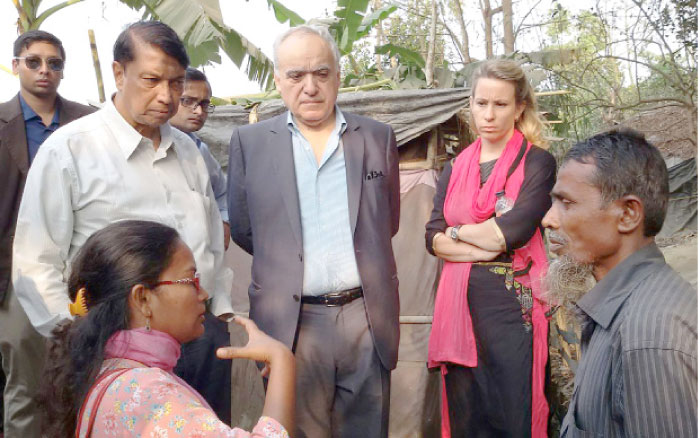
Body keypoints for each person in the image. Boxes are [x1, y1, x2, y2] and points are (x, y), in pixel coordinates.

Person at [12, 18, 233, 386]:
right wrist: (77, 335)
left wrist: (220, 314)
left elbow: (210, 243)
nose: (167, 96)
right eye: (152, 80)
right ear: (119, 73)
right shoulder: (69, 151)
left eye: (176, 82)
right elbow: (36, 264)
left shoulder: (189, 152)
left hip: (201, 341)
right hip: (116, 355)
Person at [228, 24, 400, 438]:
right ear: (278, 80)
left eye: (321, 73)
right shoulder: (250, 143)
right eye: (296, 75)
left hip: (366, 317)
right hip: (291, 322)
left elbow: (386, 220)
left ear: (338, 77)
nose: (310, 86)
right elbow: (245, 229)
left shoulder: (377, 137)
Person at [37, 220, 294, 437]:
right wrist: (282, 362)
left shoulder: (110, 369)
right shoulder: (145, 393)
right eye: (190, 280)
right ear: (143, 299)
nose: (203, 293)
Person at [425, 59, 556, 438]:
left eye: (500, 105)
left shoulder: (537, 163)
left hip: (512, 308)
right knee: (467, 410)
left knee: (513, 407)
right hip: (458, 306)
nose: (489, 114)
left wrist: (456, 232)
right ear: (471, 104)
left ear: (519, 108)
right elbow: (431, 237)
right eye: (481, 103)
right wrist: (480, 244)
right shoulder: (453, 169)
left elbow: (512, 232)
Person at [542, 129, 697, 437]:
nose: (549, 219)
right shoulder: (618, 310)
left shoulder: (650, 334)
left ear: (627, 215)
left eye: (567, 203)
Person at [0, 30, 94, 438]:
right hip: (17, 276)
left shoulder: (89, 122)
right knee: (24, 387)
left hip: (82, 274)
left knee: (83, 382)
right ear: (17, 64)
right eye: (34, 61)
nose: (44, 70)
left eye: (54, 63)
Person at [168, 66, 233, 423]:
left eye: (205, 104)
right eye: (189, 101)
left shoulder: (199, 151)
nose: (198, 110)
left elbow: (223, 192)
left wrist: (223, 219)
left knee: (210, 410)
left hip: (204, 301)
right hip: (159, 308)